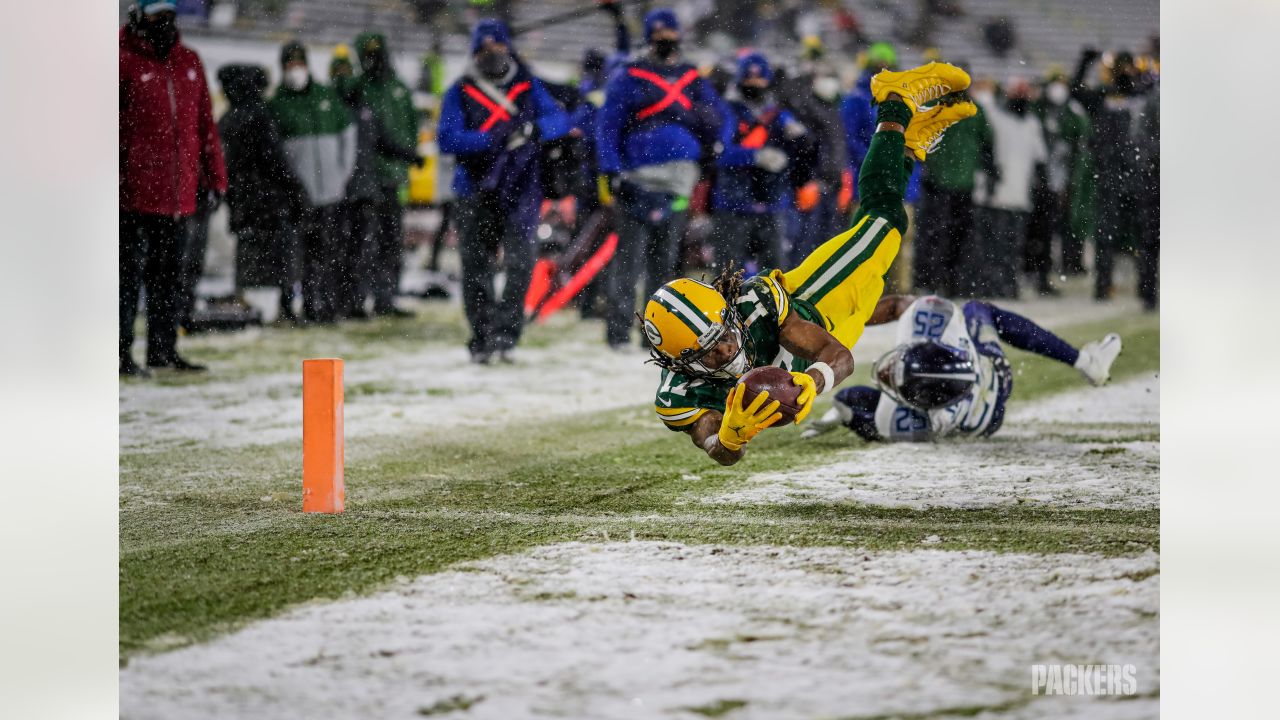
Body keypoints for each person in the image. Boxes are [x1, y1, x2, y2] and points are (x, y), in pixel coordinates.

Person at [642, 62, 976, 465]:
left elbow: (837, 358)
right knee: (881, 232)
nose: (727, 346)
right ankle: (909, 145)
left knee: (885, 221)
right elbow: (716, 447)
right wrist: (728, 439)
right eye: (710, 351)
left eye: (724, 331)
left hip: (817, 299)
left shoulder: (756, 305)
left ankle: (894, 102)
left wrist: (812, 382)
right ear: (679, 361)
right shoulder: (678, 394)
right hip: (841, 328)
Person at [802, 294, 1122, 442]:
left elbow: (856, 402)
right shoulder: (953, 338)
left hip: (984, 410)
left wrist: (845, 414)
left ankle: (1087, 362)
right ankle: (1084, 362)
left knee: (853, 403)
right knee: (977, 309)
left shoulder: (931, 417)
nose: (884, 371)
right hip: (988, 376)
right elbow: (904, 305)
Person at [437, 19, 570, 363]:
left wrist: (532, 127)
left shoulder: (528, 86)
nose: (492, 54)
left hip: (522, 189)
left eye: (497, 46)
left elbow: (559, 121)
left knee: (520, 264)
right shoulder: (461, 90)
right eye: (484, 48)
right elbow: (447, 138)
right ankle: (482, 338)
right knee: (476, 266)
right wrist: (491, 139)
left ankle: (507, 335)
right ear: (475, 53)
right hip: (474, 190)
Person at [595, 8, 725, 351]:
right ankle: (619, 334)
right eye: (661, 34)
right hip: (638, 180)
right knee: (630, 260)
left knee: (665, 263)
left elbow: (720, 116)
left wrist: (714, 142)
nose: (667, 40)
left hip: (679, 184)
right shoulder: (630, 76)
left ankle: (656, 335)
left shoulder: (692, 77)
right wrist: (612, 171)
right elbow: (608, 125)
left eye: (671, 33)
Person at [120, 0, 227, 376]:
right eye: (155, 17)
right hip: (131, 196)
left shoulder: (189, 62)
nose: (164, 24)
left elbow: (204, 126)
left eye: (169, 16)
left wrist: (215, 177)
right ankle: (119, 353)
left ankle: (163, 351)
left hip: (178, 195)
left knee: (169, 277)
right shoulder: (121, 61)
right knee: (127, 281)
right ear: (138, 19)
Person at [268, 41, 357, 325]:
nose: (295, 70)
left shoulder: (326, 97)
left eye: (299, 64)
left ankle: (317, 304)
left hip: (329, 193)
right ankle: (287, 307)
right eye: (290, 65)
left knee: (324, 253)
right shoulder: (277, 105)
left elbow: (348, 135)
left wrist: (341, 176)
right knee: (291, 255)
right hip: (295, 196)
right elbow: (275, 153)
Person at [333, 45, 423, 319]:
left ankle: (383, 299)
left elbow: (390, 137)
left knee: (387, 242)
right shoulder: (353, 100)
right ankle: (353, 301)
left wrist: (408, 156)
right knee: (360, 245)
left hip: (386, 181)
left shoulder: (390, 93)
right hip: (360, 186)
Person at [217, 63, 305, 321]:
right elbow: (276, 160)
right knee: (282, 255)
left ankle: (248, 304)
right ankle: (284, 308)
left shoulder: (227, 119)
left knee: (248, 254)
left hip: (242, 200)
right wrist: (295, 190)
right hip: (270, 199)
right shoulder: (261, 115)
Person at [711, 52, 811, 273]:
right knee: (728, 275)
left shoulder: (778, 113)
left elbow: (802, 144)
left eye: (760, 78)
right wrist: (755, 156)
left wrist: (799, 140)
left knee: (773, 277)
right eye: (749, 79)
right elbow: (720, 153)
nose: (755, 83)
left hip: (771, 202)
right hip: (733, 203)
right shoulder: (728, 111)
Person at [841, 42, 924, 293]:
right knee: (863, 242)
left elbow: (913, 140)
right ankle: (860, 293)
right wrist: (878, 161)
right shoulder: (858, 99)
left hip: (898, 185)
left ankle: (897, 297)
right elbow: (848, 138)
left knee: (899, 243)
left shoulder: (905, 98)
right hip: (869, 186)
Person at [912, 80, 993, 297]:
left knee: (952, 236)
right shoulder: (940, 108)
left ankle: (948, 281)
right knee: (940, 236)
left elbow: (986, 143)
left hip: (957, 184)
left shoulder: (972, 110)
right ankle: (936, 280)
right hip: (940, 183)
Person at [969, 77, 1047, 299]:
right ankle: (991, 285)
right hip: (994, 195)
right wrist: (989, 172)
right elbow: (984, 147)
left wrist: (1040, 184)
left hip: (1019, 196)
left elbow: (1039, 157)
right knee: (992, 245)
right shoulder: (994, 118)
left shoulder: (1032, 123)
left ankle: (1008, 285)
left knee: (1012, 246)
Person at [774, 36, 848, 266]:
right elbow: (809, 144)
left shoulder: (830, 106)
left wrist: (841, 174)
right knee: (803, 244)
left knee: (825, 245)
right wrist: (810, 177)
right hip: (810, 181)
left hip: (830, 181)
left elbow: (836, 144)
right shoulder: (802, 98)